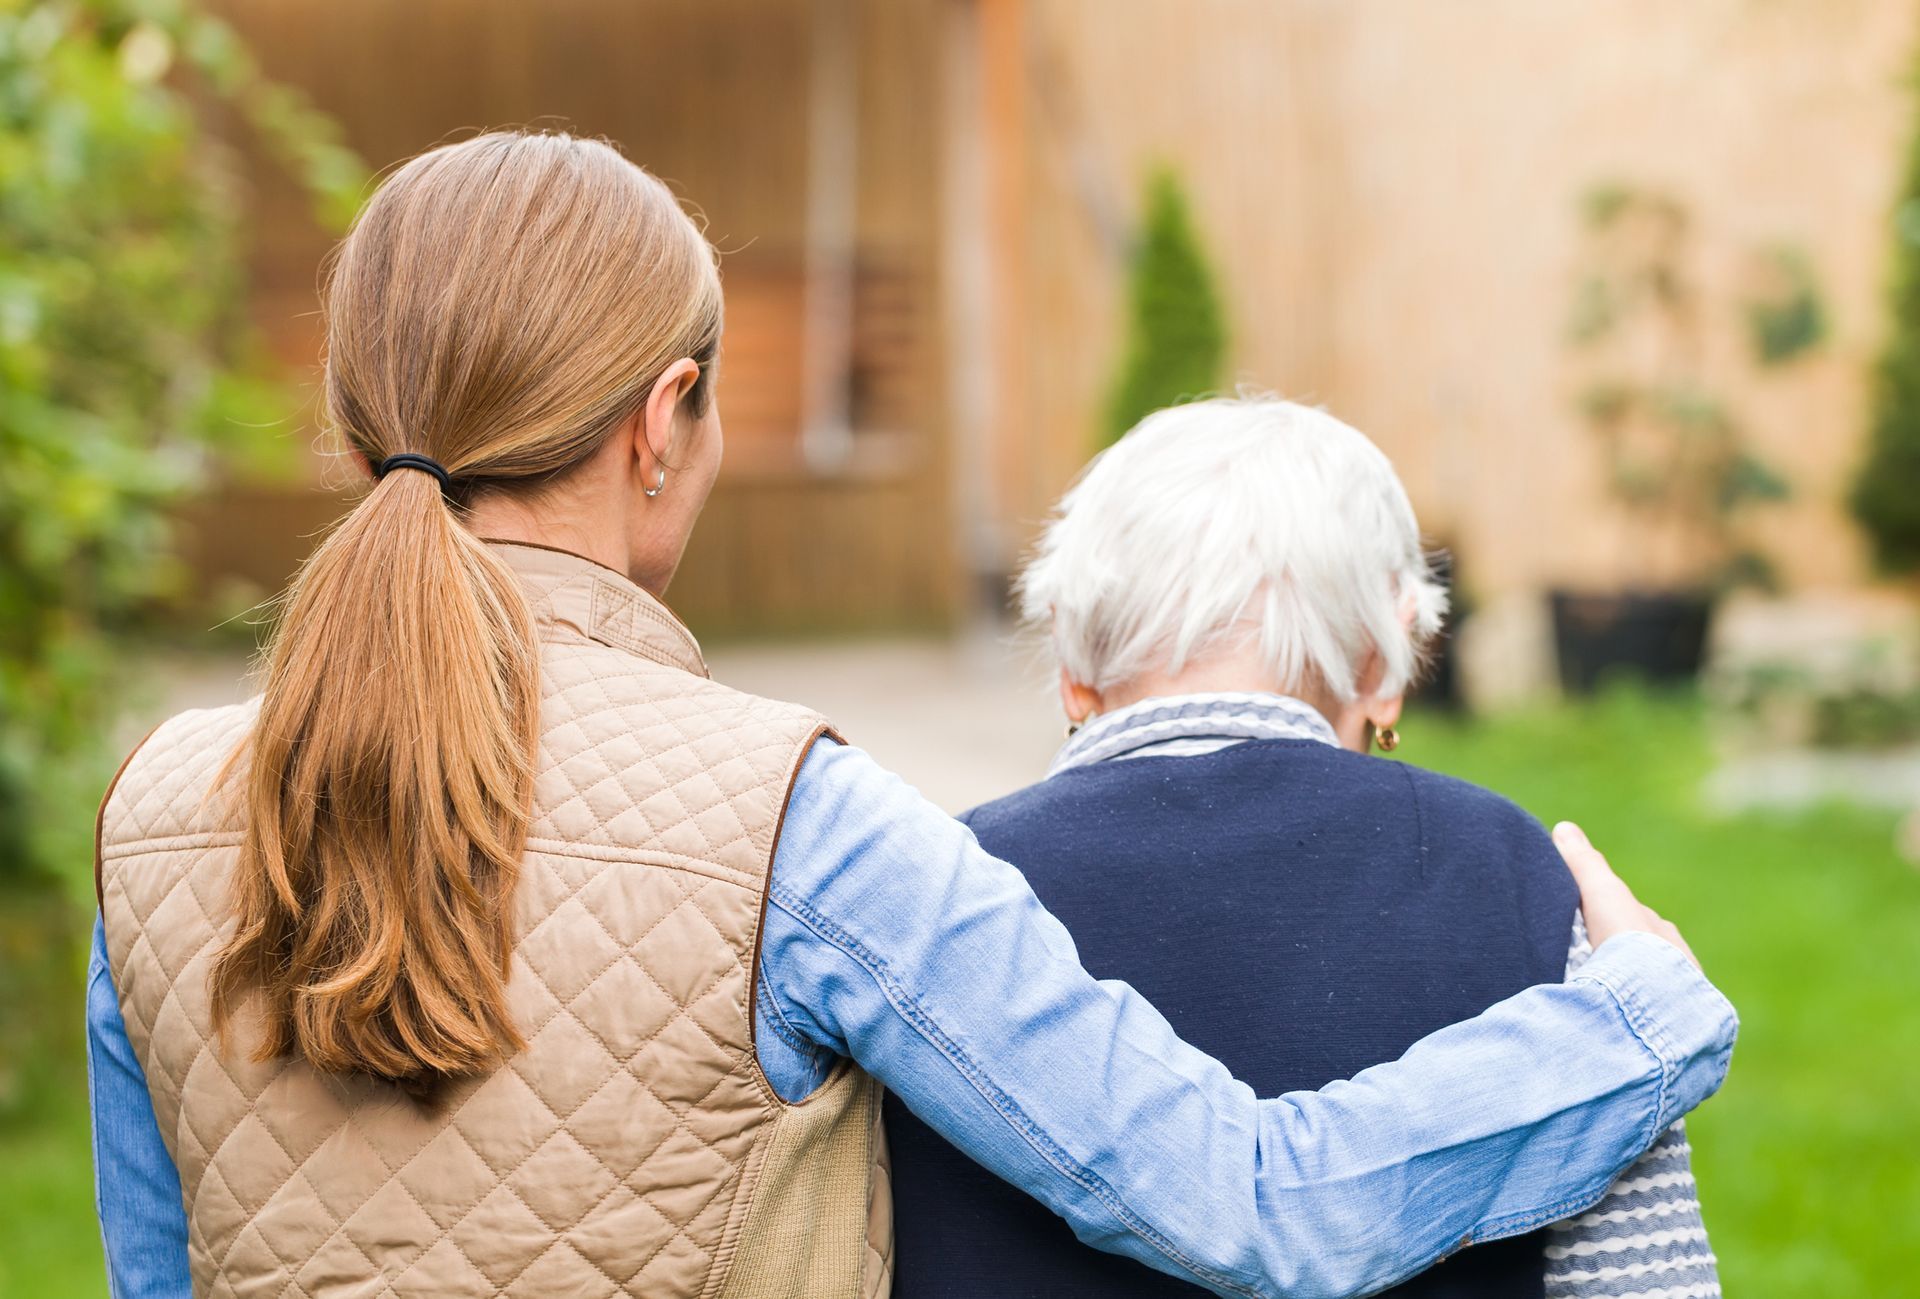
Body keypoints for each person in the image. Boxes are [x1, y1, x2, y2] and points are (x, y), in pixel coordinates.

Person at [87, 132, 1735, 1299]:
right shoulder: (790, 817)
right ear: (667, 423)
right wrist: (1633, 1023)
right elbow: (1249, 1202)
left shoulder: (151, 810)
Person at [886, 396, 1724, 1298]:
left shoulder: (938, 892)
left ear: (1071, 666)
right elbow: (1639, 1274)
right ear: (1385, 663)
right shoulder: (1517, 872)